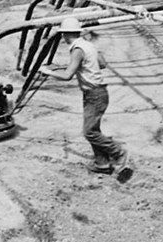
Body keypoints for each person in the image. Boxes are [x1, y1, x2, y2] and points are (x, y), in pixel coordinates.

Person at [39, 17, 132, 182]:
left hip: (95, 94)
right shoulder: (88, 45)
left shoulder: (77, 49)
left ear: (66, 34)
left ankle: (118, 153)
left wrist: (47, 72)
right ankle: (102, 163)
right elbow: (102, 64)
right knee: (93, 128)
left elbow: (67, 76)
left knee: (89, 132)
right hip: (96, 92)